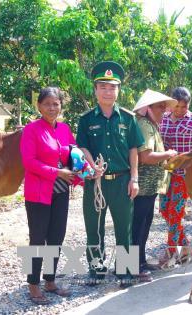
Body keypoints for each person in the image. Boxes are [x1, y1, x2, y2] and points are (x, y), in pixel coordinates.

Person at [76, 61, 144, 288]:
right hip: (95, 183)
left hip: (123, 180)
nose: (108, 91)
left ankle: (125, 271)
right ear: (95, 90)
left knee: (124, 228)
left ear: (118, 90)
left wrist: (134, 179)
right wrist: (90, 165)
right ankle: (96, 269)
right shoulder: (86, 119)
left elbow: (134, 149)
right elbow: (82, 146)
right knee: (94, 228)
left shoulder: (128, 118)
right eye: (103, 87)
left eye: (112, 87)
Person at [20, 87, 77, 305]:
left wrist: (83, 173)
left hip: (61, 192)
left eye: (56, 104)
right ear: (39, 106)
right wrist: (58, 172)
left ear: (61, 105)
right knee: (37, 238)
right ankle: (33, 284)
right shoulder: (31, 130)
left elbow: (73, 155)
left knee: (56, 237)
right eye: (47, 104)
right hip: (38, 193)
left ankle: (50, 281)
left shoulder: (64, 129)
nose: (52, 108)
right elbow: (29, 162)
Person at [131, 89, 178, 282]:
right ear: (148, 109)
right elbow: (146, 156)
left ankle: (140, 262)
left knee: (144, 224)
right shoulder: (144, 126)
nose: (164, 111)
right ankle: (132, 267)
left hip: (149, 187)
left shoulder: (151, 125)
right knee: (137, 226)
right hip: (142, 186)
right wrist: (169, 154)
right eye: (160, 107)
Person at [159, 86, 192, 265]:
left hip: (185, 173)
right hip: (165, 173)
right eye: (176, 106)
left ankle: (171, 252)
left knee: (175, 212)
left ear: (189, 105)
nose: (179, 111)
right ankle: (185, 245)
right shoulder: (163, 118)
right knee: (164, 210)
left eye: (183, 107)